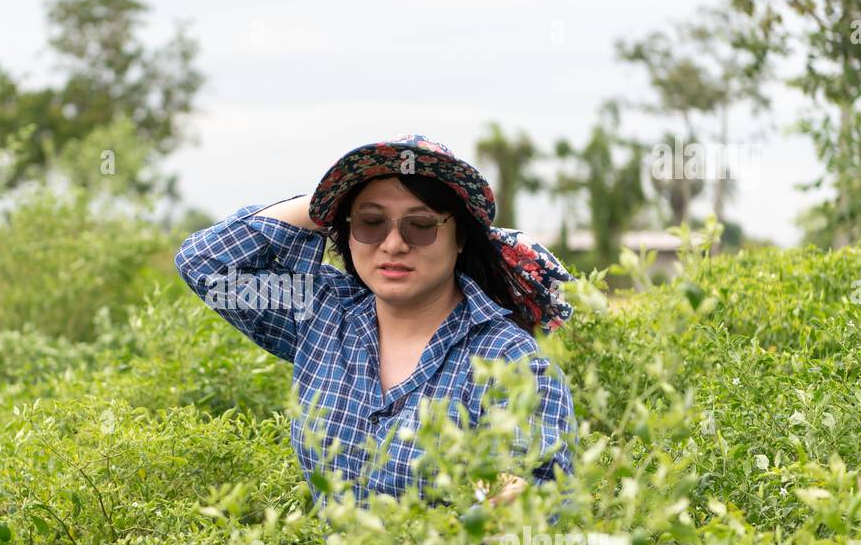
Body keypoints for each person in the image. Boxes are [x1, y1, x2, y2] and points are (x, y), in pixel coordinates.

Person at [174, 133, 578, 511]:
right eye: (371, 223)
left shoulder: (508, 359)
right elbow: (206, 265)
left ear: (460, 239)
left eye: (420, 225)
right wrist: (326, 205)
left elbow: (533, 495)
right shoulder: (325, 313)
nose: (393, 243)